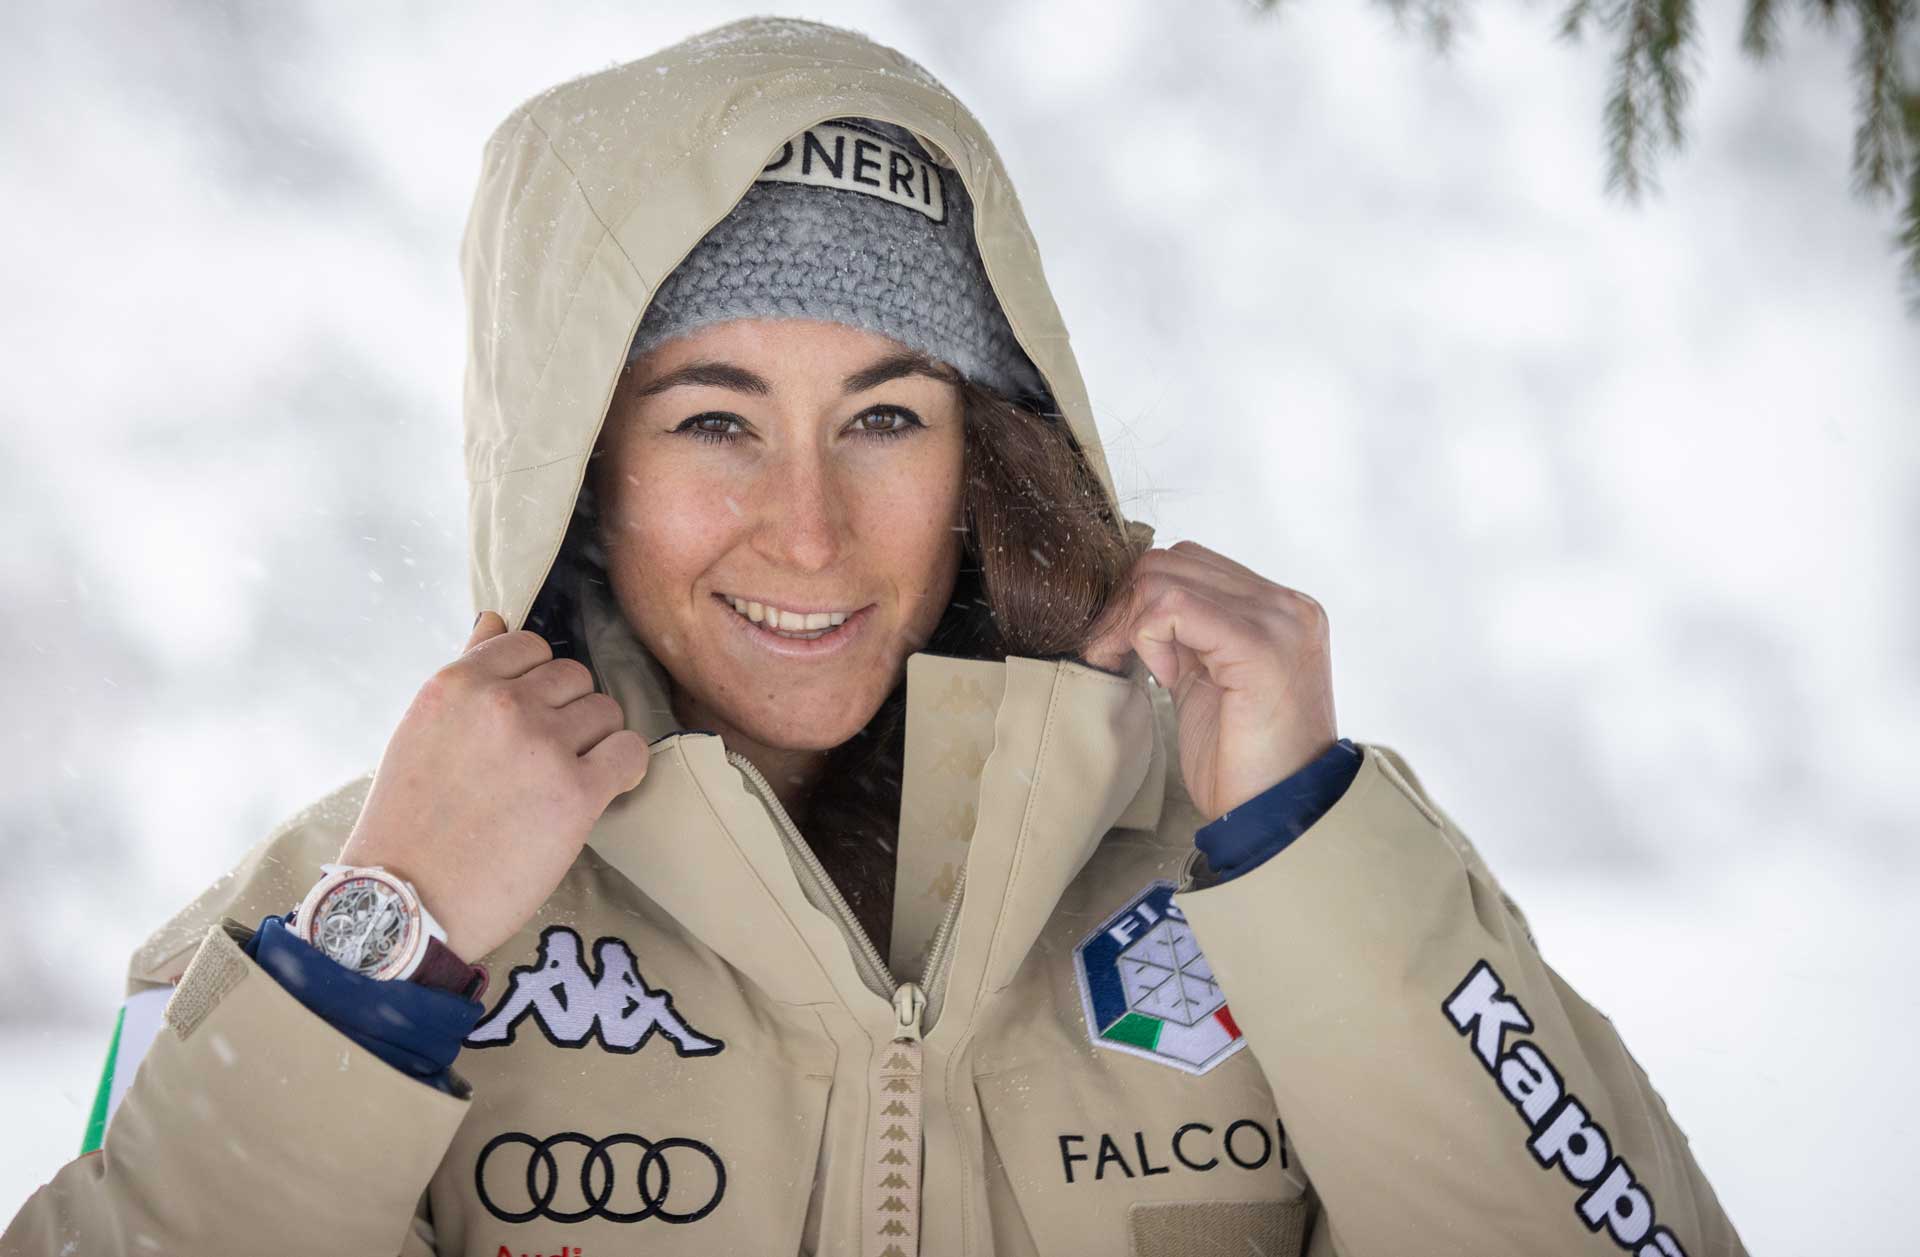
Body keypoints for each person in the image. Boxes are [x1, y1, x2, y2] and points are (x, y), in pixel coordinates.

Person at [3, 16, 1747, 1257]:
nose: (813, 528)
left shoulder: (1263, 868)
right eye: (712, 419)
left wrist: (1306, 847)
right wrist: (382, 964)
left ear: (991, 442)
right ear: (574, 461)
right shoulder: (338, 918)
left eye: (889, 416)